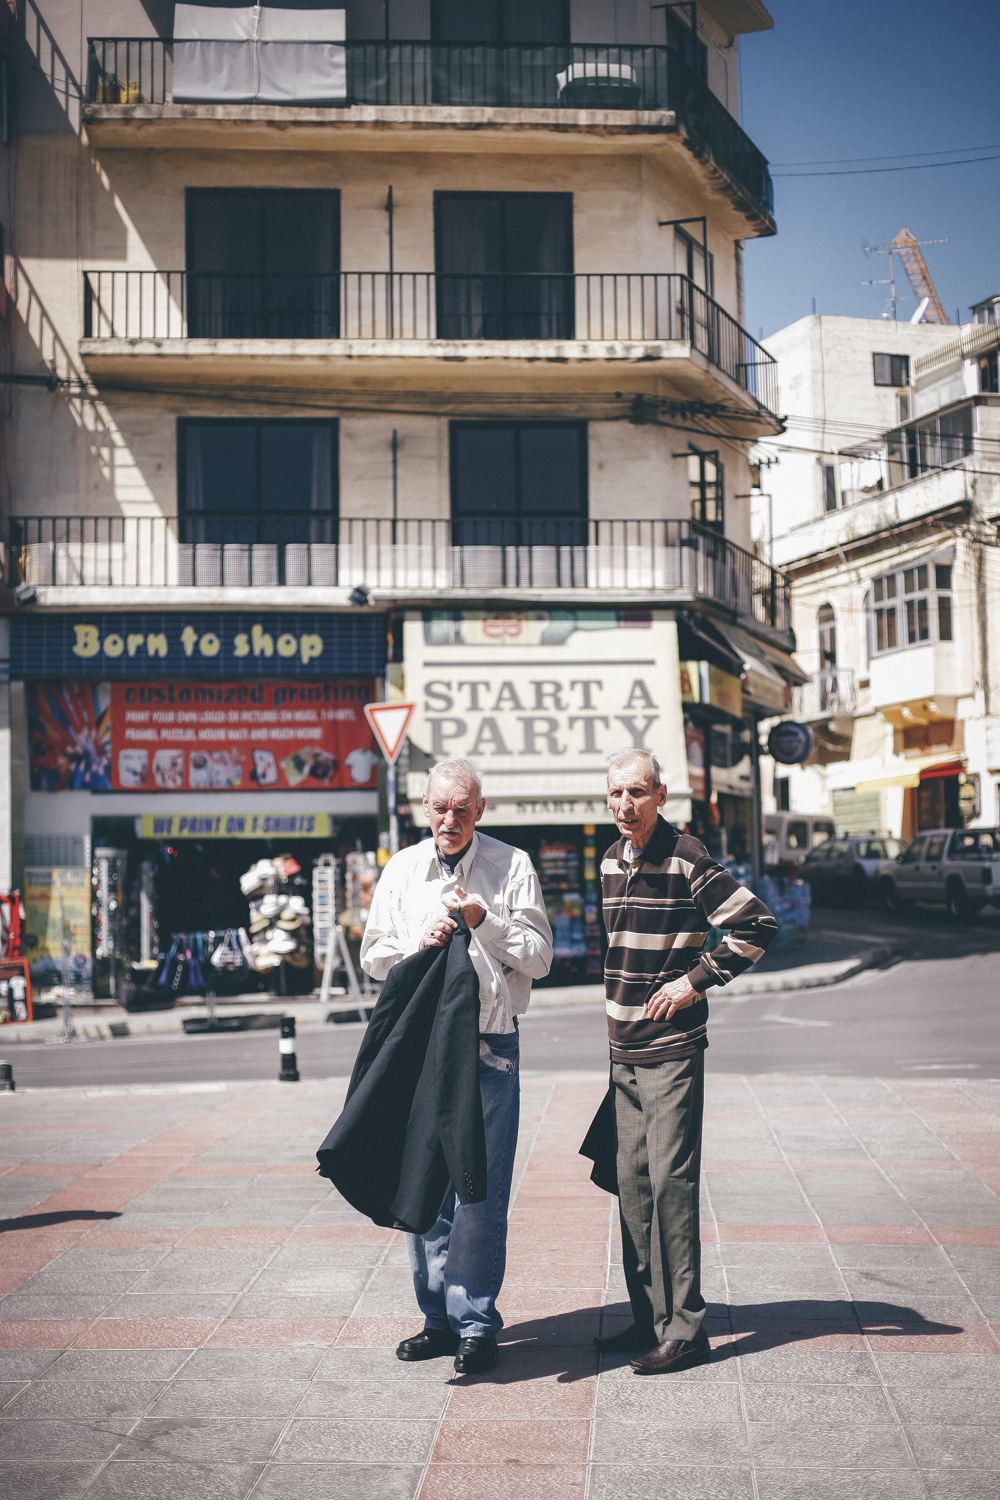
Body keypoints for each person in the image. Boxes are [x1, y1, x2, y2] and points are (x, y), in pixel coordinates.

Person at [360, 756, 553, 1373]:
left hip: (490, 1045)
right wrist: (417, 948)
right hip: (422, 1050)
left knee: (480, 1191)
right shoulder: (402, 869)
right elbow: (373, 956)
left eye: (463, 809)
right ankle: (437, 1319)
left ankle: (475, 1322)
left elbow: (541, 958)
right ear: (424, 809)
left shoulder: (511, 865)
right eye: (441, 808)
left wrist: (483, 921)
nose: (451, 819)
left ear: (481, 811)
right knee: (426, 1185)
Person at [596, 748, 776, 1374]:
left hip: (671, 1051)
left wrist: (694, 981)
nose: (626, 805)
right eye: (616, 793)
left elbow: (756, 925)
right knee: (633, 1186)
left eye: (638, 793)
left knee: (673, 1184)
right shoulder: (609, 861)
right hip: (623, 1052)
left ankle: (688, 1328)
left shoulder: (688, 856)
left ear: (661, 794)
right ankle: (649, 1319)